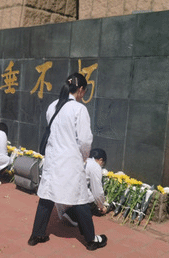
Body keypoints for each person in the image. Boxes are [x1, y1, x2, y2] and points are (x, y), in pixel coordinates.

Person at [28, 74, 107, 251]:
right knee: (79, 198)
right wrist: (84, 157)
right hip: (70, 160)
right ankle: (91, 240)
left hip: (52, 159)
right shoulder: (79, 109)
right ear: (81, 90)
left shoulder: (52, 106)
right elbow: (85, 140)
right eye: (84, 91)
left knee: (47, 195)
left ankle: (36, 235)